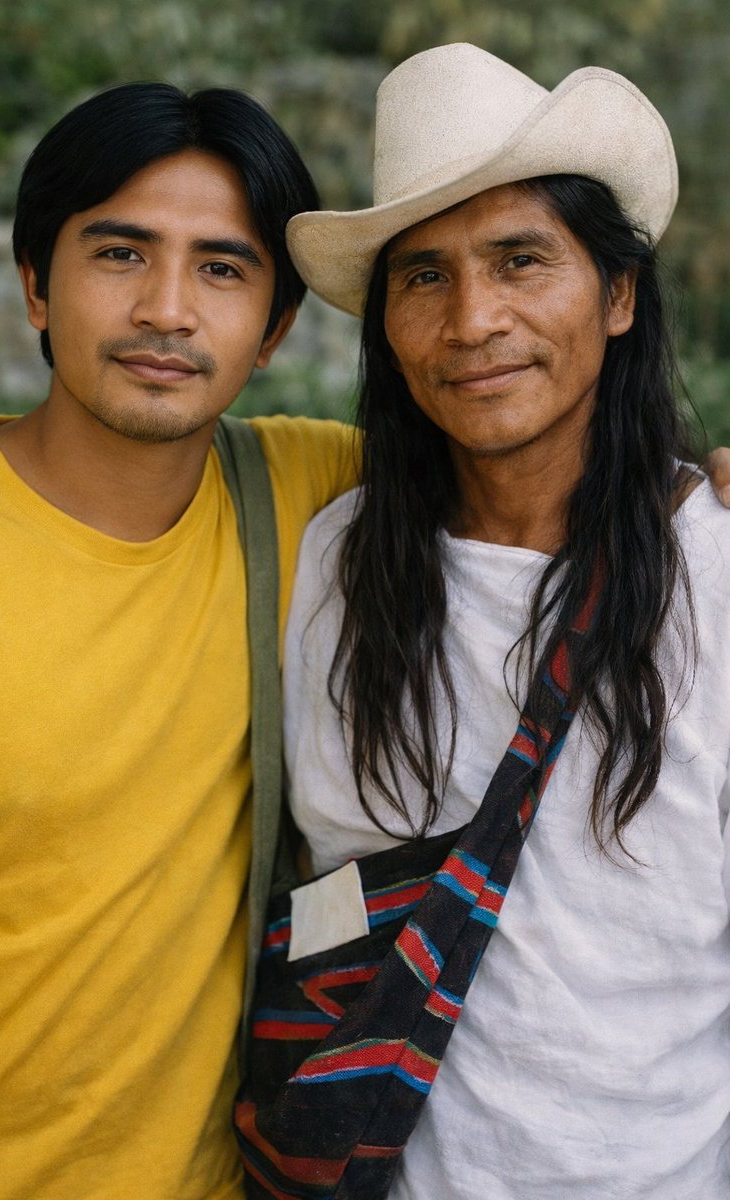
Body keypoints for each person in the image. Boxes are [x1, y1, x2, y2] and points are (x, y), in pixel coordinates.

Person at [282, 43, 730, 1197]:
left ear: (618, 293)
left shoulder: (712, 575)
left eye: (520, 259)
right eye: (422, 276)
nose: (473, 319)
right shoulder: (335, 562)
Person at [0, 83, 358, 1200]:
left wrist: (694, 485)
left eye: (221, 268)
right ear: (35, 283)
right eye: (119, 253)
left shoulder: (314, 491)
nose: (168, 309)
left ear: (273, 331)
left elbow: (536, 468)